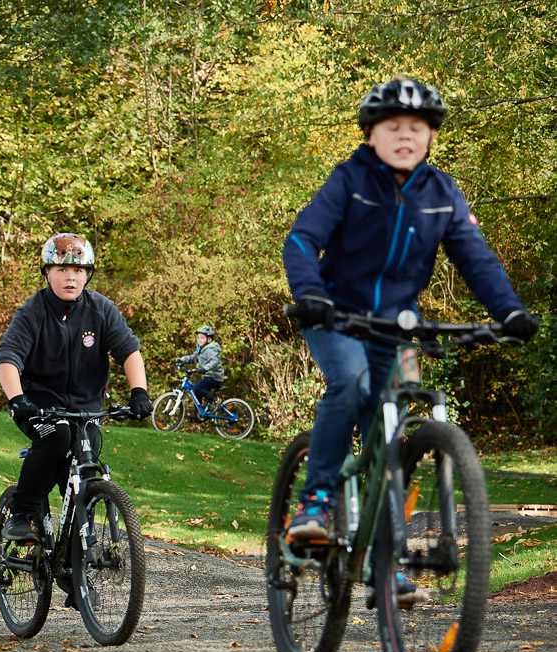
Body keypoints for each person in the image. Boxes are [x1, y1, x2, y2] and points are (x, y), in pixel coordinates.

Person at [282, 77, 539, 593]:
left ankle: (384, 559)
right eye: (393, 126)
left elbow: (475, 258)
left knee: (394, 431)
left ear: (430, 137)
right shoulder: (350, 180)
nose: (405, 136)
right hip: (336, 316)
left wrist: (507, 310)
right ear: (370, 135)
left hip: (396, 325)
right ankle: (315, 503)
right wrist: (312, 294)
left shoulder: (442, 193)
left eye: (416, 128)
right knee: (351, 383)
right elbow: (302, 239)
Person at [0, 233, 152, 544]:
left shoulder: (101, 310)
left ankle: (78, 566)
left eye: (78, 271)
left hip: (86, 407)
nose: (71, 277)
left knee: (86, 470)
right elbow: (8, 359)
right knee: (57, 438)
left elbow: (129, 352)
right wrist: (17, 399)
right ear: (47, 273)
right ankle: (22, 513)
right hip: (38, 404)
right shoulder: (33, 311)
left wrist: (139, 392)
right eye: (62, 270)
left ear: (87, 275)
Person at [177, 325, 224, 404]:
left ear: (209, 339)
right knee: (196, 392)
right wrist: (181, 360)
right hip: (208, 376)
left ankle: (215, 400)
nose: (199, 340)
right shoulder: (201, 349)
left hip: (214, 376)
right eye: (198, 338)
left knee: (196, 388)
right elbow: (193, 357)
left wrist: (205, 368)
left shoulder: (211, 349)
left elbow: (214, 361)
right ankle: (198, 414)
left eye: (202, 338)